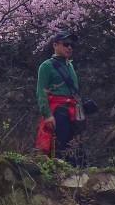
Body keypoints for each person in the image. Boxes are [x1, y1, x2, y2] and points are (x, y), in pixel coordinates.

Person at [36, 31, 83, 160]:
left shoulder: (70, 66)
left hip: (73, 111)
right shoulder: (46, 66)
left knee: (75, 145)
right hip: (58, 111)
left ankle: (76, 173)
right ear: (55, 45)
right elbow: (41, 91)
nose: (70, 47)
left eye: (71, 45)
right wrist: (47, 115)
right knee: (61, 145)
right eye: (66, 44)